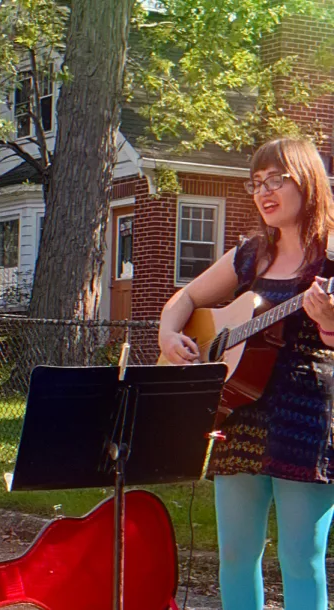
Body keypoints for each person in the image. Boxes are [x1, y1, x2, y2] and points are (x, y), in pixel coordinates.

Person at [159, 137, 334, 610]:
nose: (264, 191)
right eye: (257, 183)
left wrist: (330, 323)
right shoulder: (252, 253)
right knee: (235, 554)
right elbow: (185, 299)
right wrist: (168, 336)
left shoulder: (330, 259)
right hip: (237, 415)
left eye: (277, 179)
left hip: (305, 417)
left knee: (302, 558)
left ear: (308, 181)